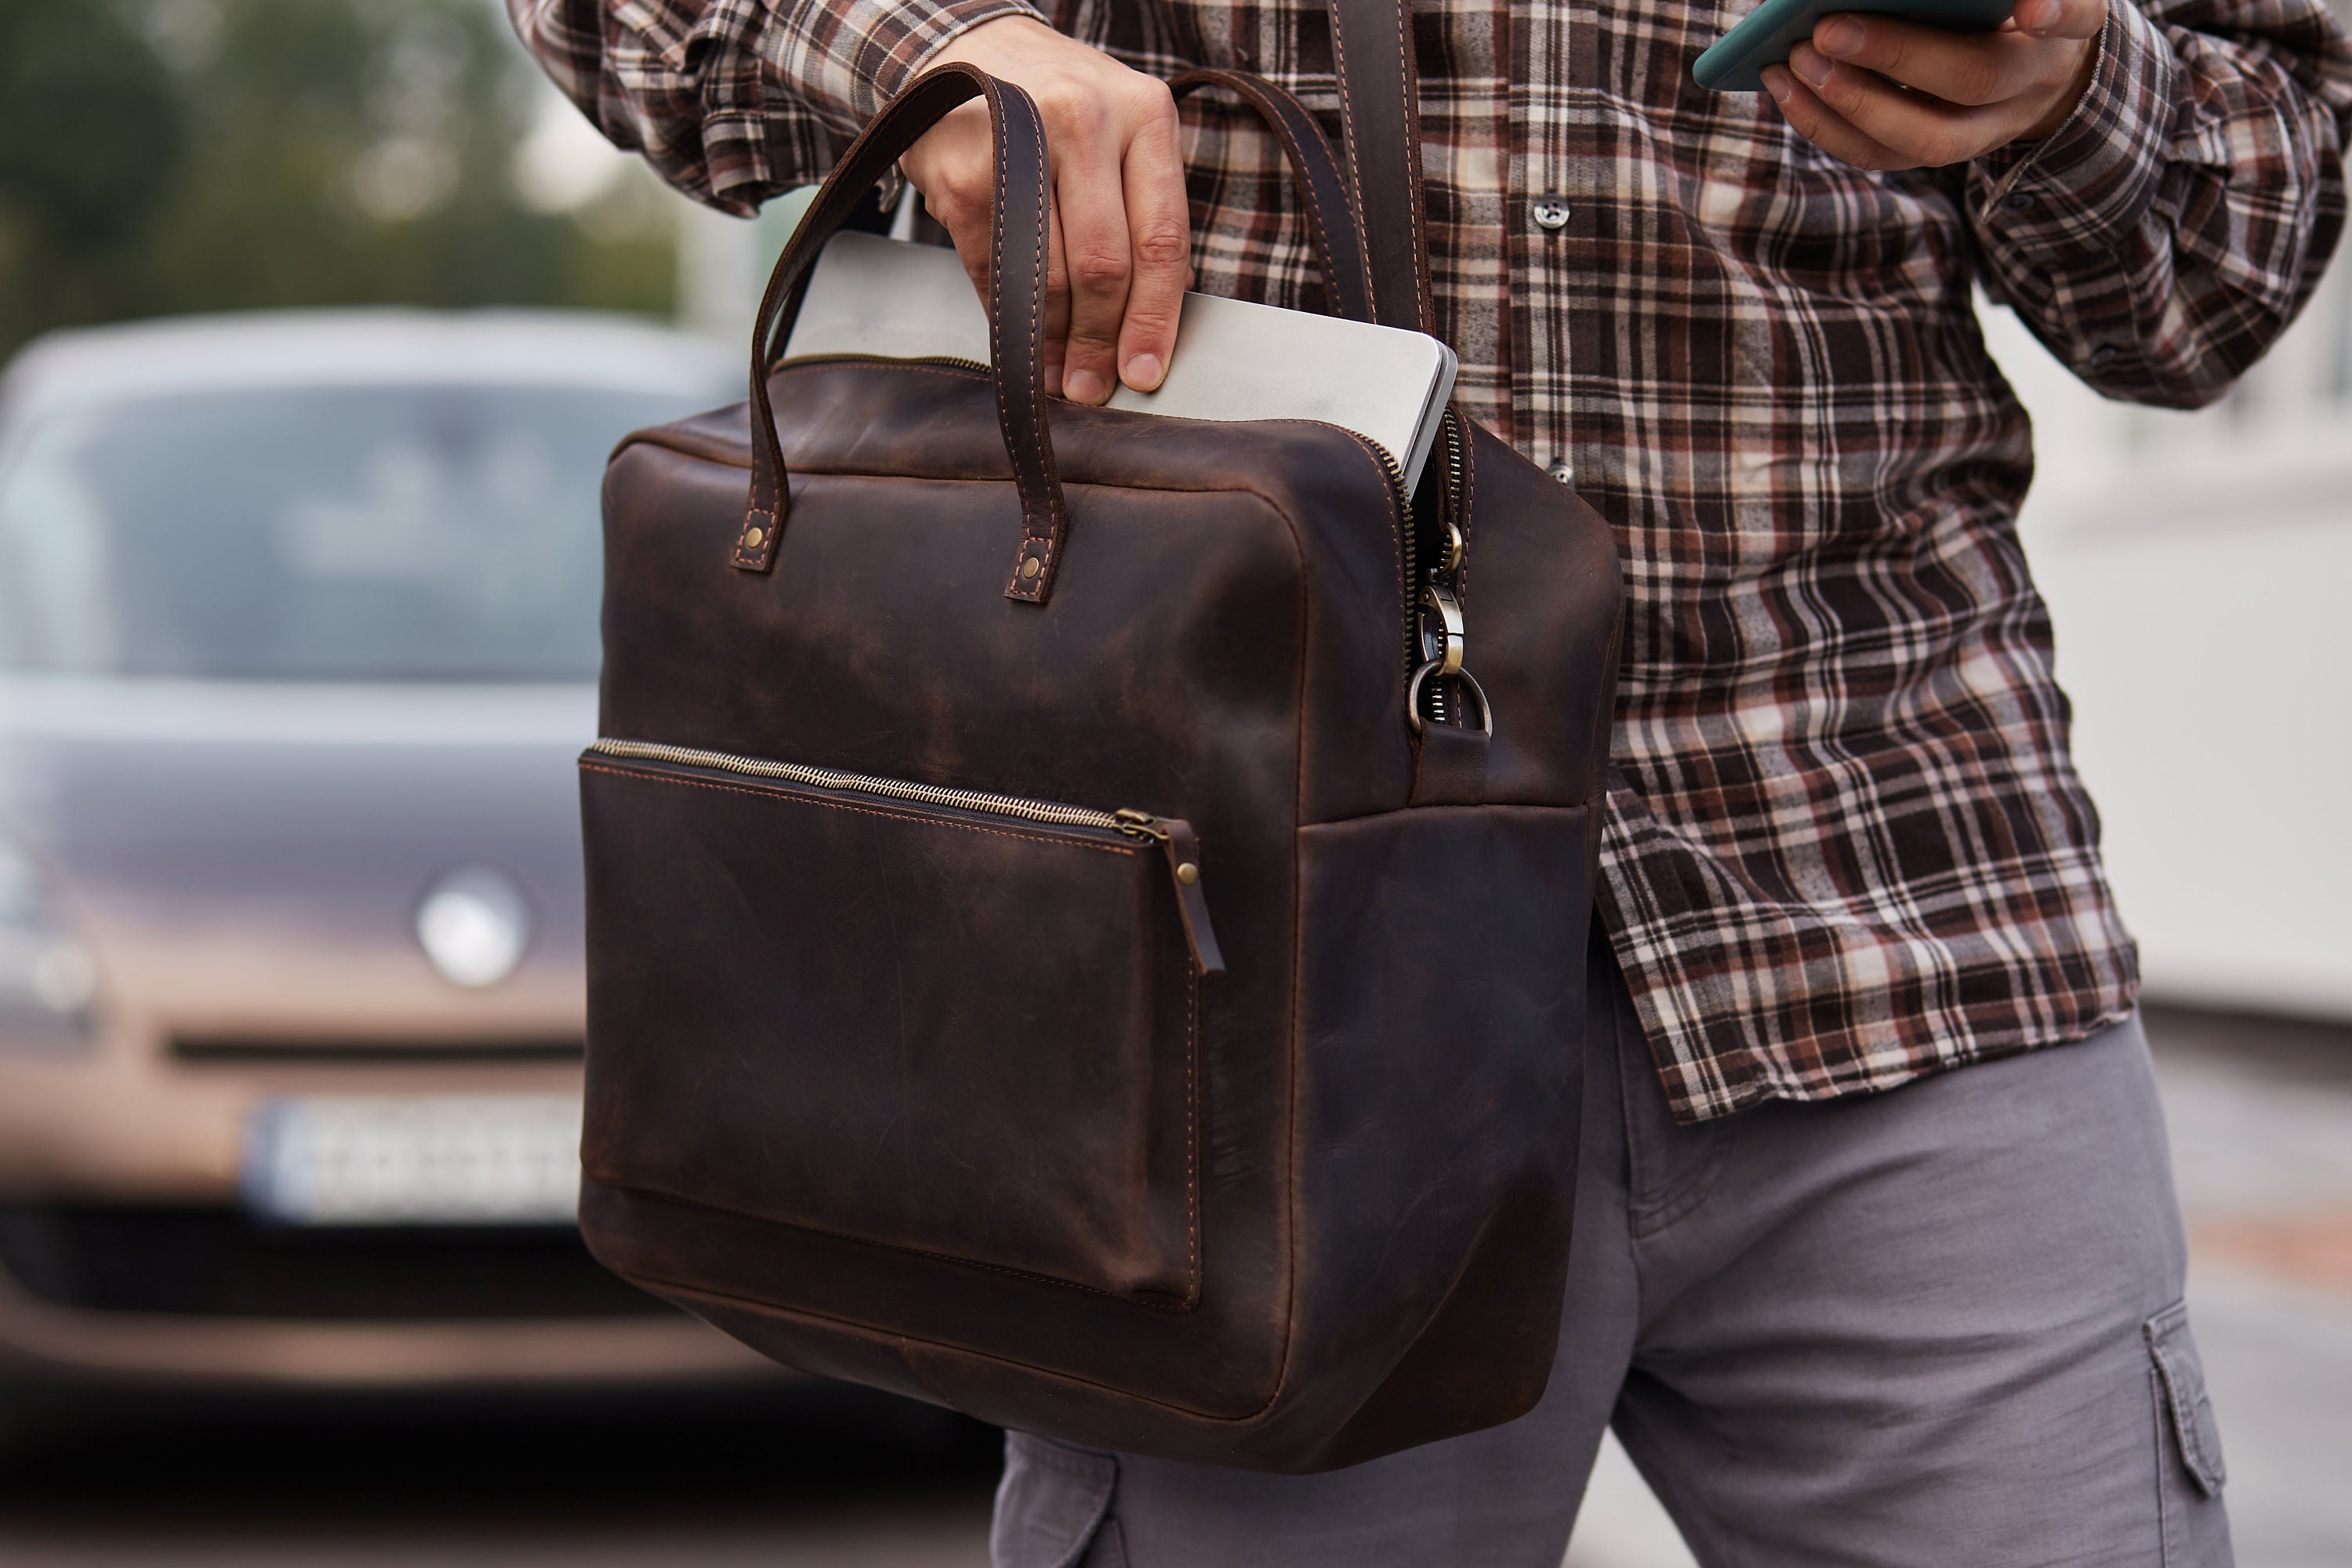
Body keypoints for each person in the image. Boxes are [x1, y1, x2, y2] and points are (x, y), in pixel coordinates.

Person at [513, 0, 2350, 1559]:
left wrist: (2068, 89)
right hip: (1230, 990)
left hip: (1891, 886)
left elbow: (2230, 256)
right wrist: (929, 50)